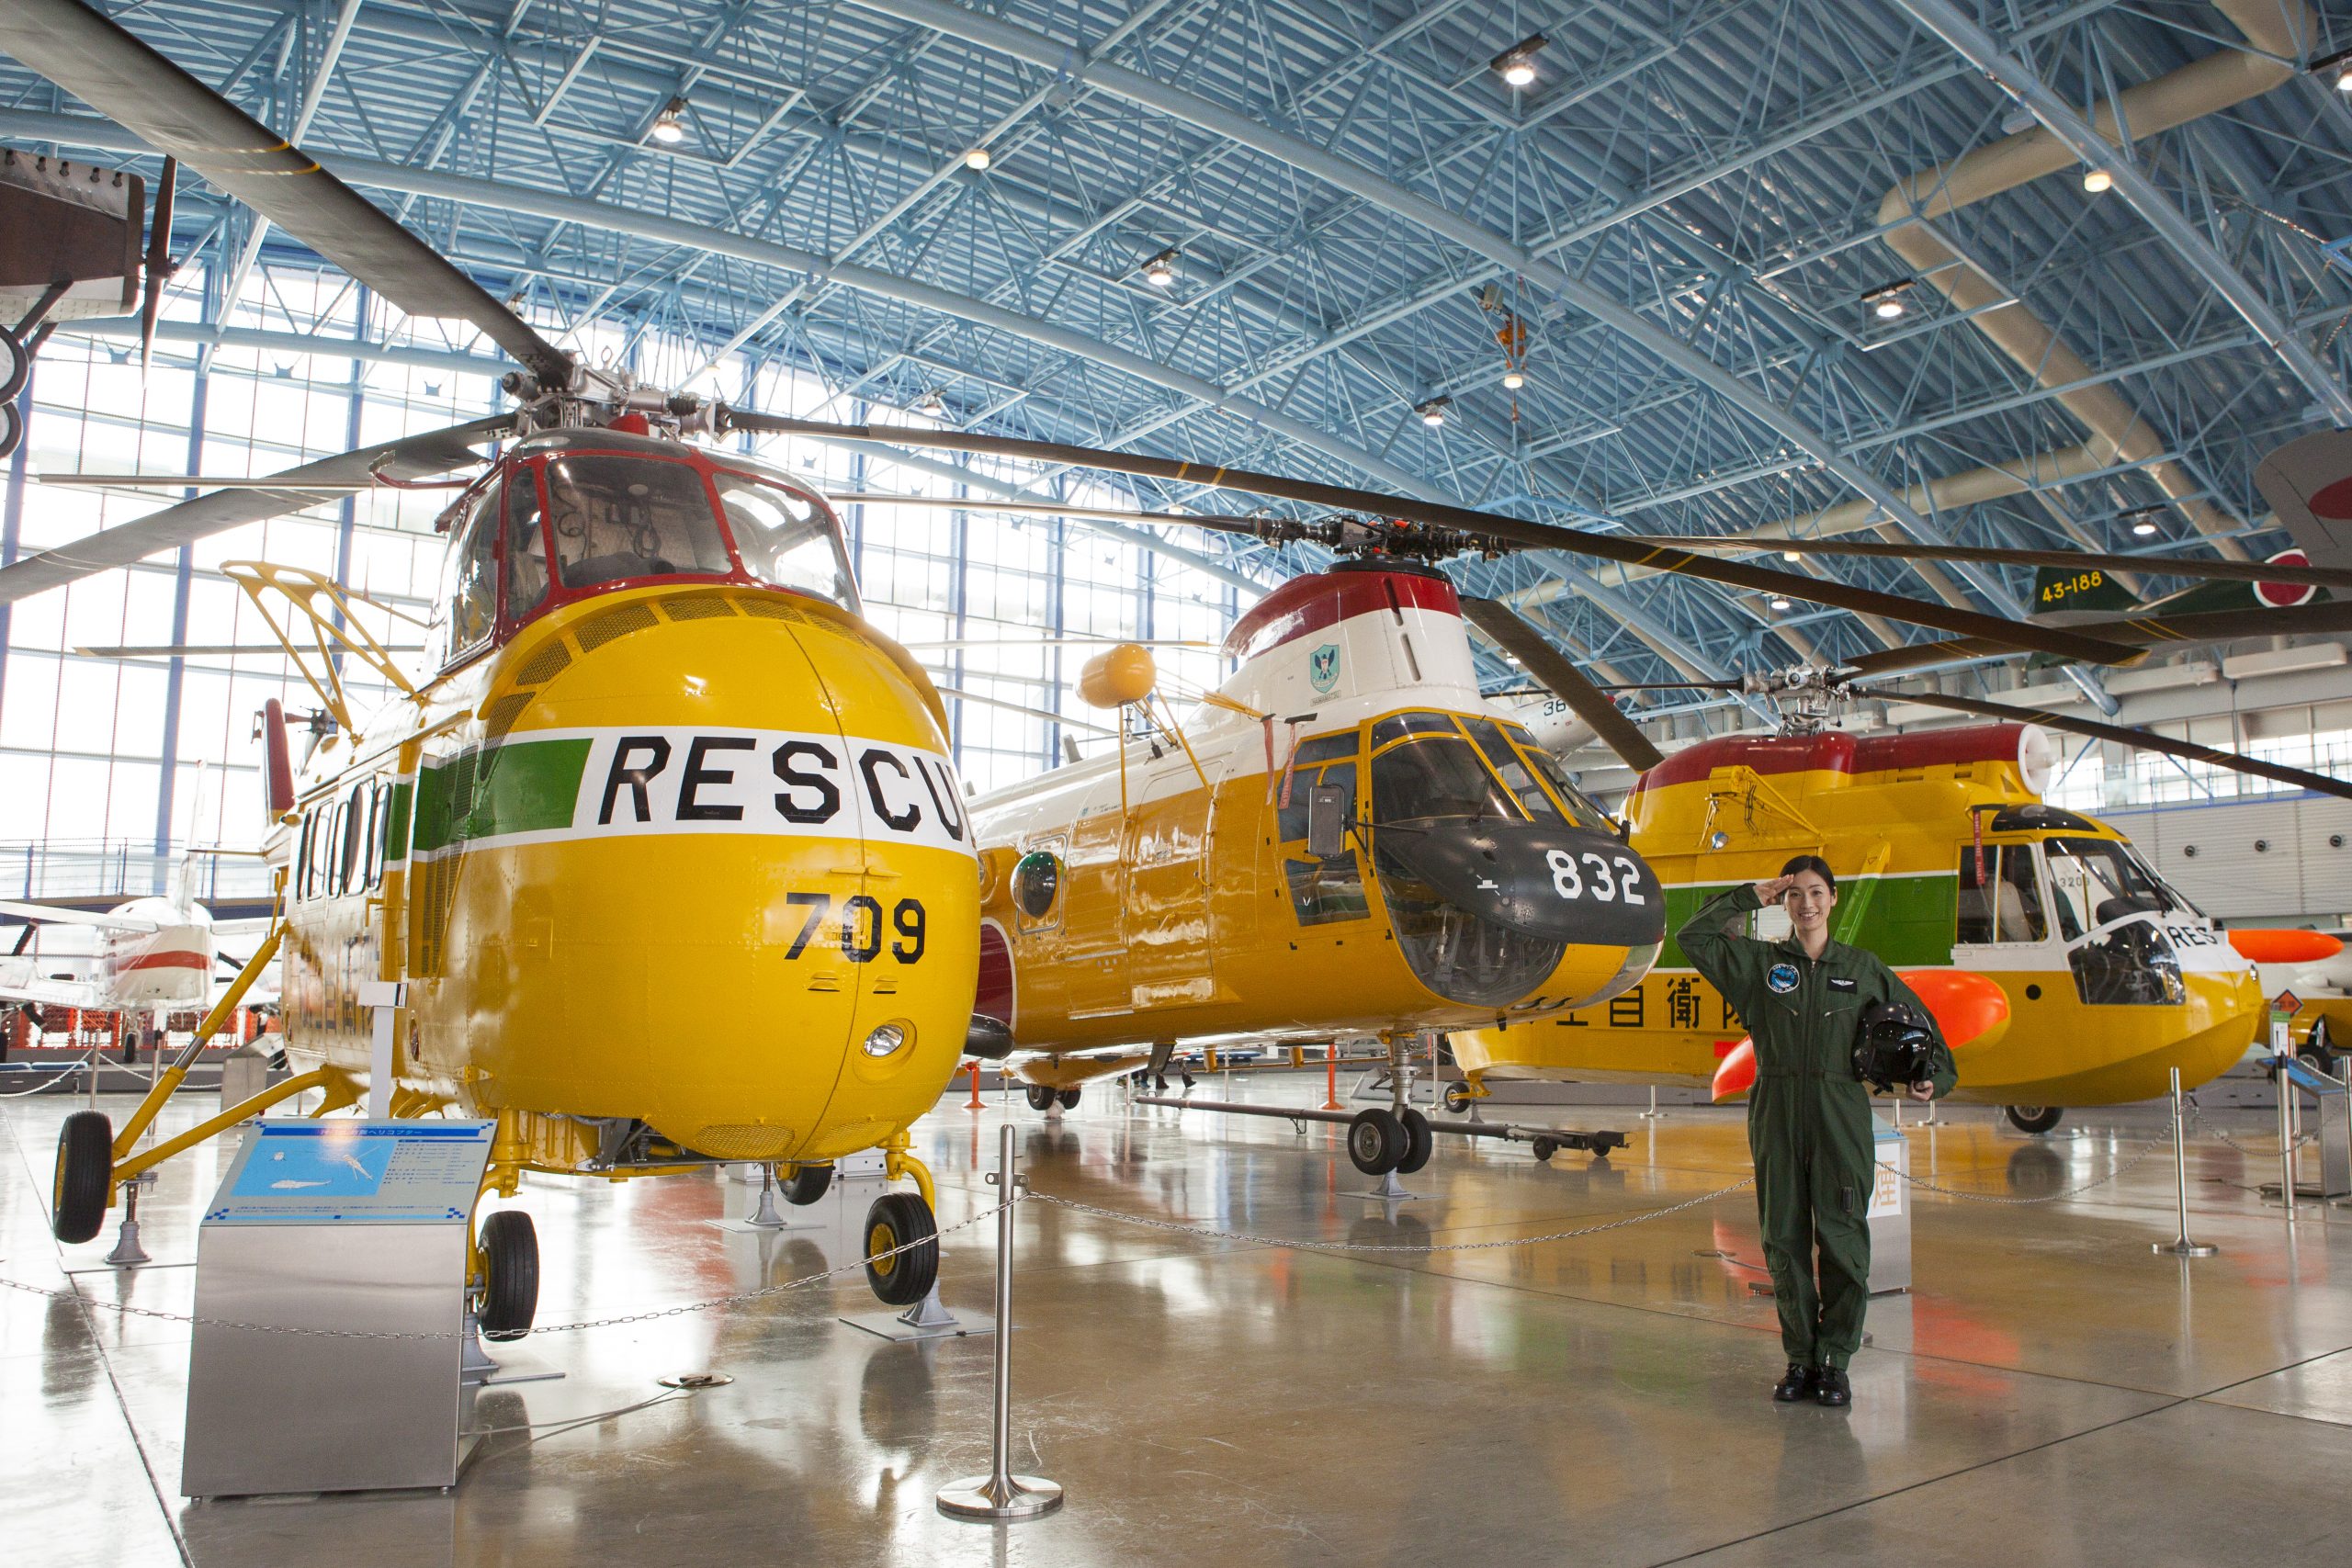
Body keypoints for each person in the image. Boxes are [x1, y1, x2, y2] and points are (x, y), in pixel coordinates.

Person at [1678, 853, 1955, 1409]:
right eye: (1794, 894)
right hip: (1776, 1109)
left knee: (1843, 1238)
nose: (1806, 904)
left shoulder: (1862, 968)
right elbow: (1693, 937)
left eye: (1815, 893)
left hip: (1839, 1112)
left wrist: (1932, 1078)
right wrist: (1749, 895)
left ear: (1832, 899)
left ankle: (1834, 1361)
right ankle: (1800, 1359)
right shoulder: (1759, 965)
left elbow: (1924, 1029)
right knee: (1782, 1240)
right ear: (1783, 902)